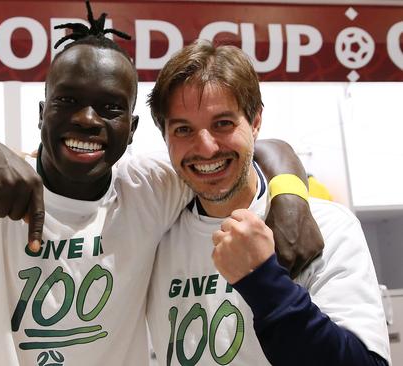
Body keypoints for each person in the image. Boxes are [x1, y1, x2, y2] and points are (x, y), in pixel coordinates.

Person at [0, 3, 322, 365]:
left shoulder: (151, 188)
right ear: (42, 111)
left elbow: (241, 147)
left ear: (133, 129)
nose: (88, 119)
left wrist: (291, 192)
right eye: (68, 100)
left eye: (111, 108)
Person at [146, 39, 390, 366]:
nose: (205, 148)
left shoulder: (327, 227)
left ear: (256, 121)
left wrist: (263, 281)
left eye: (223, 124)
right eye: (183, 129)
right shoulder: (154, 231)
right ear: (164, 135)